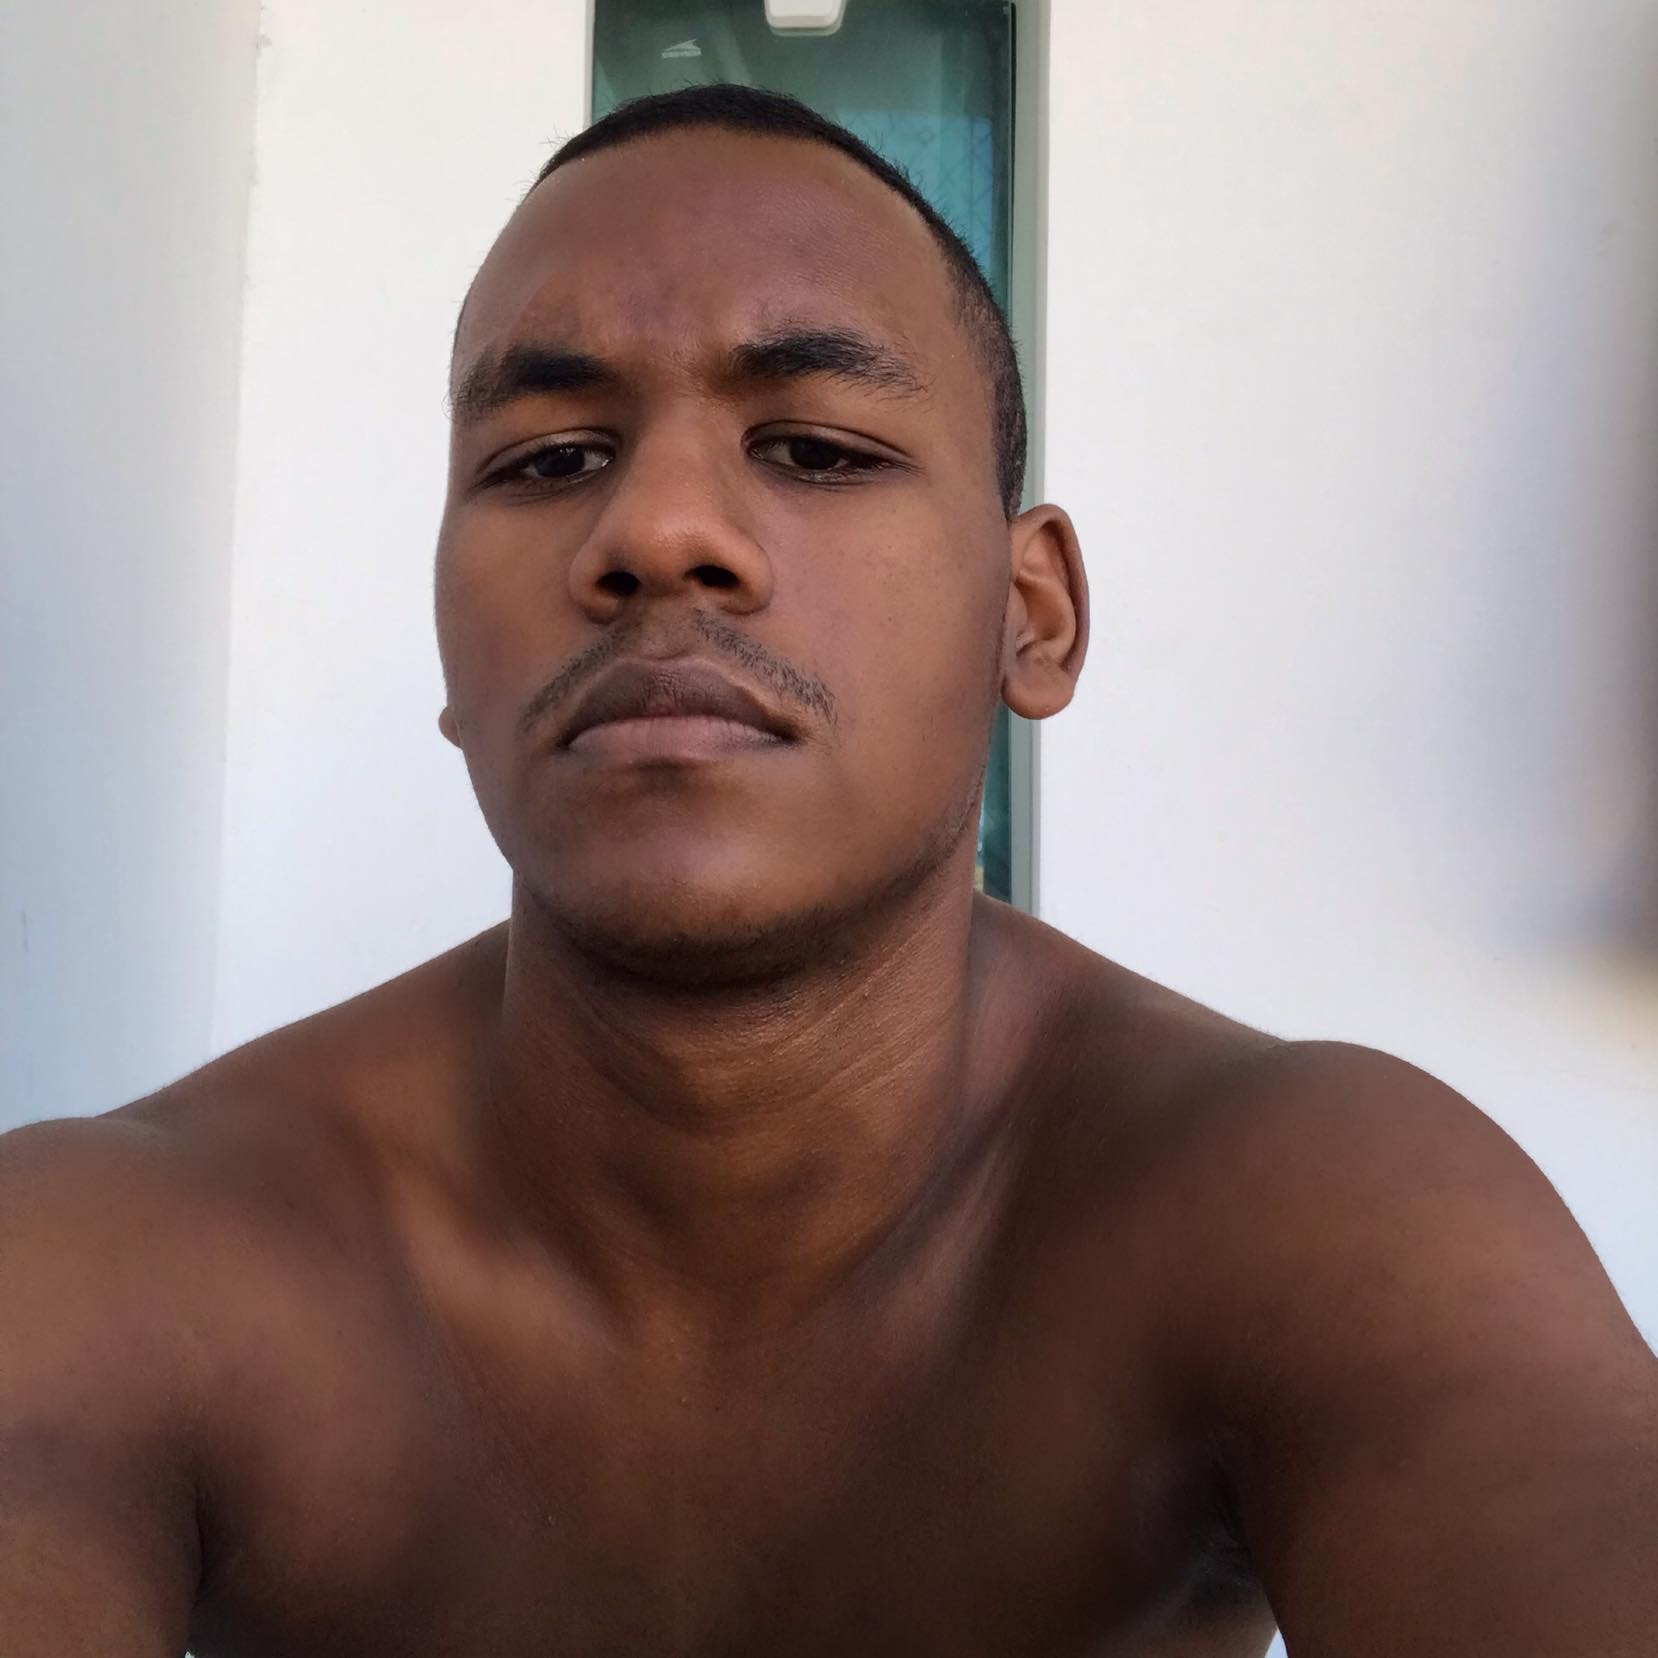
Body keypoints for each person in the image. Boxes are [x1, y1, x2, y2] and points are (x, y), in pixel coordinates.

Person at [4, 84, 1654, 1658]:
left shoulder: (1313, 1209)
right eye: (547, 458)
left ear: (1029, 614)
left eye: (813, 446)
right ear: (448, 648)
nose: (655, 530)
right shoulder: (122, 1251)